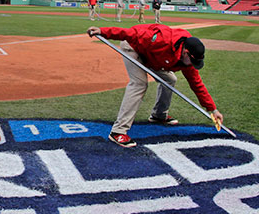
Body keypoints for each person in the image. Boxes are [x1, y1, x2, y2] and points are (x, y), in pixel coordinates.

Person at [86, 23, 223, 148]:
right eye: (192, 62)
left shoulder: (187, 60)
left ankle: (159, 115)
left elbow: (197, 84)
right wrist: (103, 31)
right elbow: (130, 33)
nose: (192, 66)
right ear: (186, 53)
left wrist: (213, 110)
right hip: (133, 48)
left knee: (170, 79)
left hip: (153, 58)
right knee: (139, 84)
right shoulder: (161, 39)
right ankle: (118, 131)